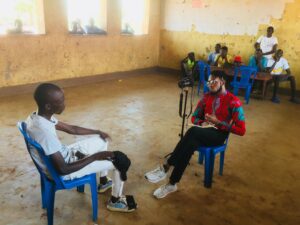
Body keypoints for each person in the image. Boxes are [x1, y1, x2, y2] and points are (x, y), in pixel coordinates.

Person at [25, 83, 136, 212]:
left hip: (66, 155)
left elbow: (72, 129)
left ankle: (104, 181)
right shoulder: (44, 133)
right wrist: (96, 157)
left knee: (101, 139)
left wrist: (97, 131)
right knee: (119, 162)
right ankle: (115, 201)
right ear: (48, 106)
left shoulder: (37, 117)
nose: (64, 104)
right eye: (60, 101)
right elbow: (63, 169)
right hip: (64, 170)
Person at [145, 70, 246, 199]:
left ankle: (166, 166)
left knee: (192, 132)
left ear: (223, 81)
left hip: (219, 135)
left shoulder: (233, 101)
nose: (211, 85)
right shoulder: (206, 97)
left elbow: (241, 130)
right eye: (209, 82)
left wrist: (219, 123)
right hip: (203, 131)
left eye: (214, 82)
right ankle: (172, 184)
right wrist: (202, 122)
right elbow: (194, 117)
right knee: (190, 144)